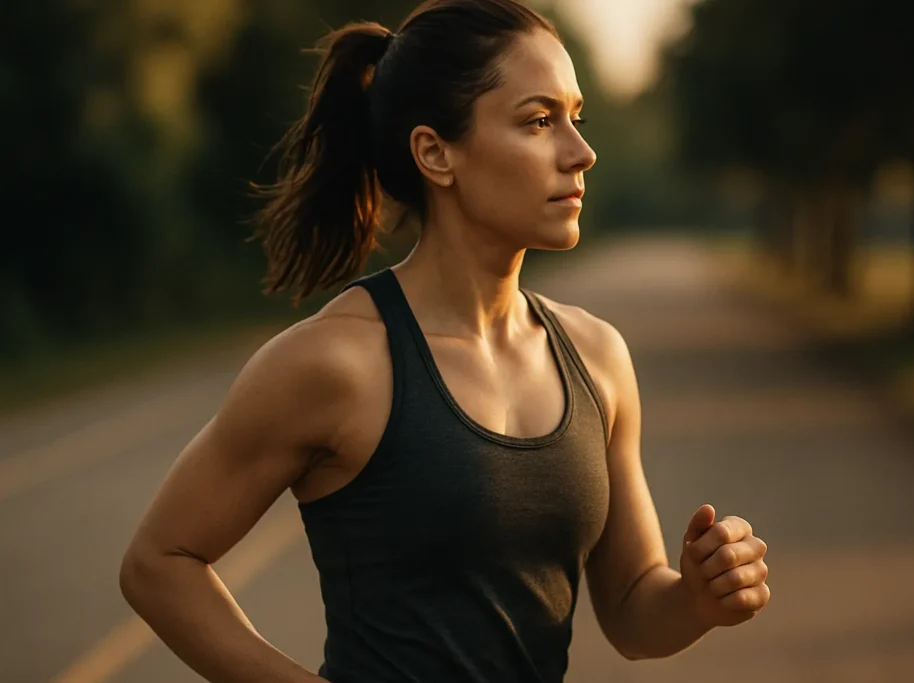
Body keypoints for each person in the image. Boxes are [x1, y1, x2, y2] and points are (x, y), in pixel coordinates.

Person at [117, 1, 770, 681]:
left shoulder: (597, 356)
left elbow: (634, 610)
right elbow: (158, 562)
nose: (581, 151)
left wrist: (698, 597)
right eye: (539, 121)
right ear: (435, 152)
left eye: (577, 118)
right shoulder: (337, 362)